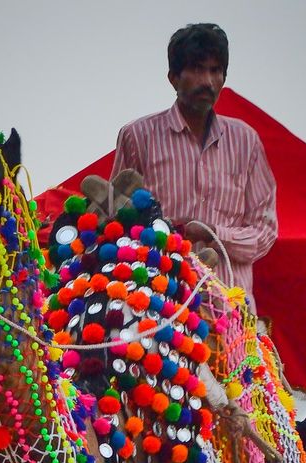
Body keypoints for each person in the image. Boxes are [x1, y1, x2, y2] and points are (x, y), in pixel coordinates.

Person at [112, 22, 277, 308]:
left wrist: (213, 233)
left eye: (216, 71)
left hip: (230, 308)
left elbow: (265, 231)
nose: (208, 81)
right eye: (198, 69)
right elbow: (117, 223)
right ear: (173, 77)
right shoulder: (138, 136)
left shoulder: (245, 141)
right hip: (159, 306)